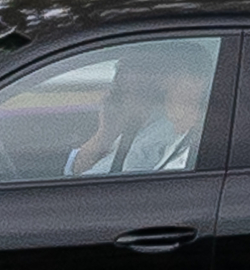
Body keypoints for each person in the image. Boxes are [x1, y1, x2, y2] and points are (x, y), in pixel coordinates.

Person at [64, 43, 210, 176]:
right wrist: (105, 134)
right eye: (119, 70)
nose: (117, 82)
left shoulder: (164, 136)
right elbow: (75, 172)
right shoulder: (130, 129)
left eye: (128, 70)